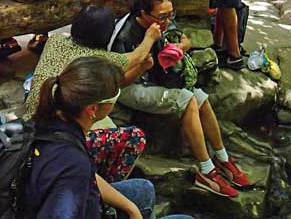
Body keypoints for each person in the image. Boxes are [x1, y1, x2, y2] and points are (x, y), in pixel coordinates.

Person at [110, 0, 250, 197]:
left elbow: (186, 40)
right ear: (143, 14)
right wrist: (142, 62)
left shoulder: (162, 22)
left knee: (201, 97)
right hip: (130, 87)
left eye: (171, 15)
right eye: (162, 17)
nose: (167, 21)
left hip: (156, 79)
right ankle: (206, 169)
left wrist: (178, 48)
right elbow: (119, 81)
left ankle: (222, 158)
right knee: (187, 99)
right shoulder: (125, 34)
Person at [23, 55, 195, 219]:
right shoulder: (73, 166)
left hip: (35, 203)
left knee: (143, 189)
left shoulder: (49, 121)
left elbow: (88, 176)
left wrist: (131, 208)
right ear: (92, 110)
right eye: (114, 94)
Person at [23, 5, 153, 181]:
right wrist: (151, 36)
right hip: (56, 140)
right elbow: (137, 57)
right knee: (134, 137)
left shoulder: (55, 41)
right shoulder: (99, 61)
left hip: (33, 120)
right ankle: (109, 187)